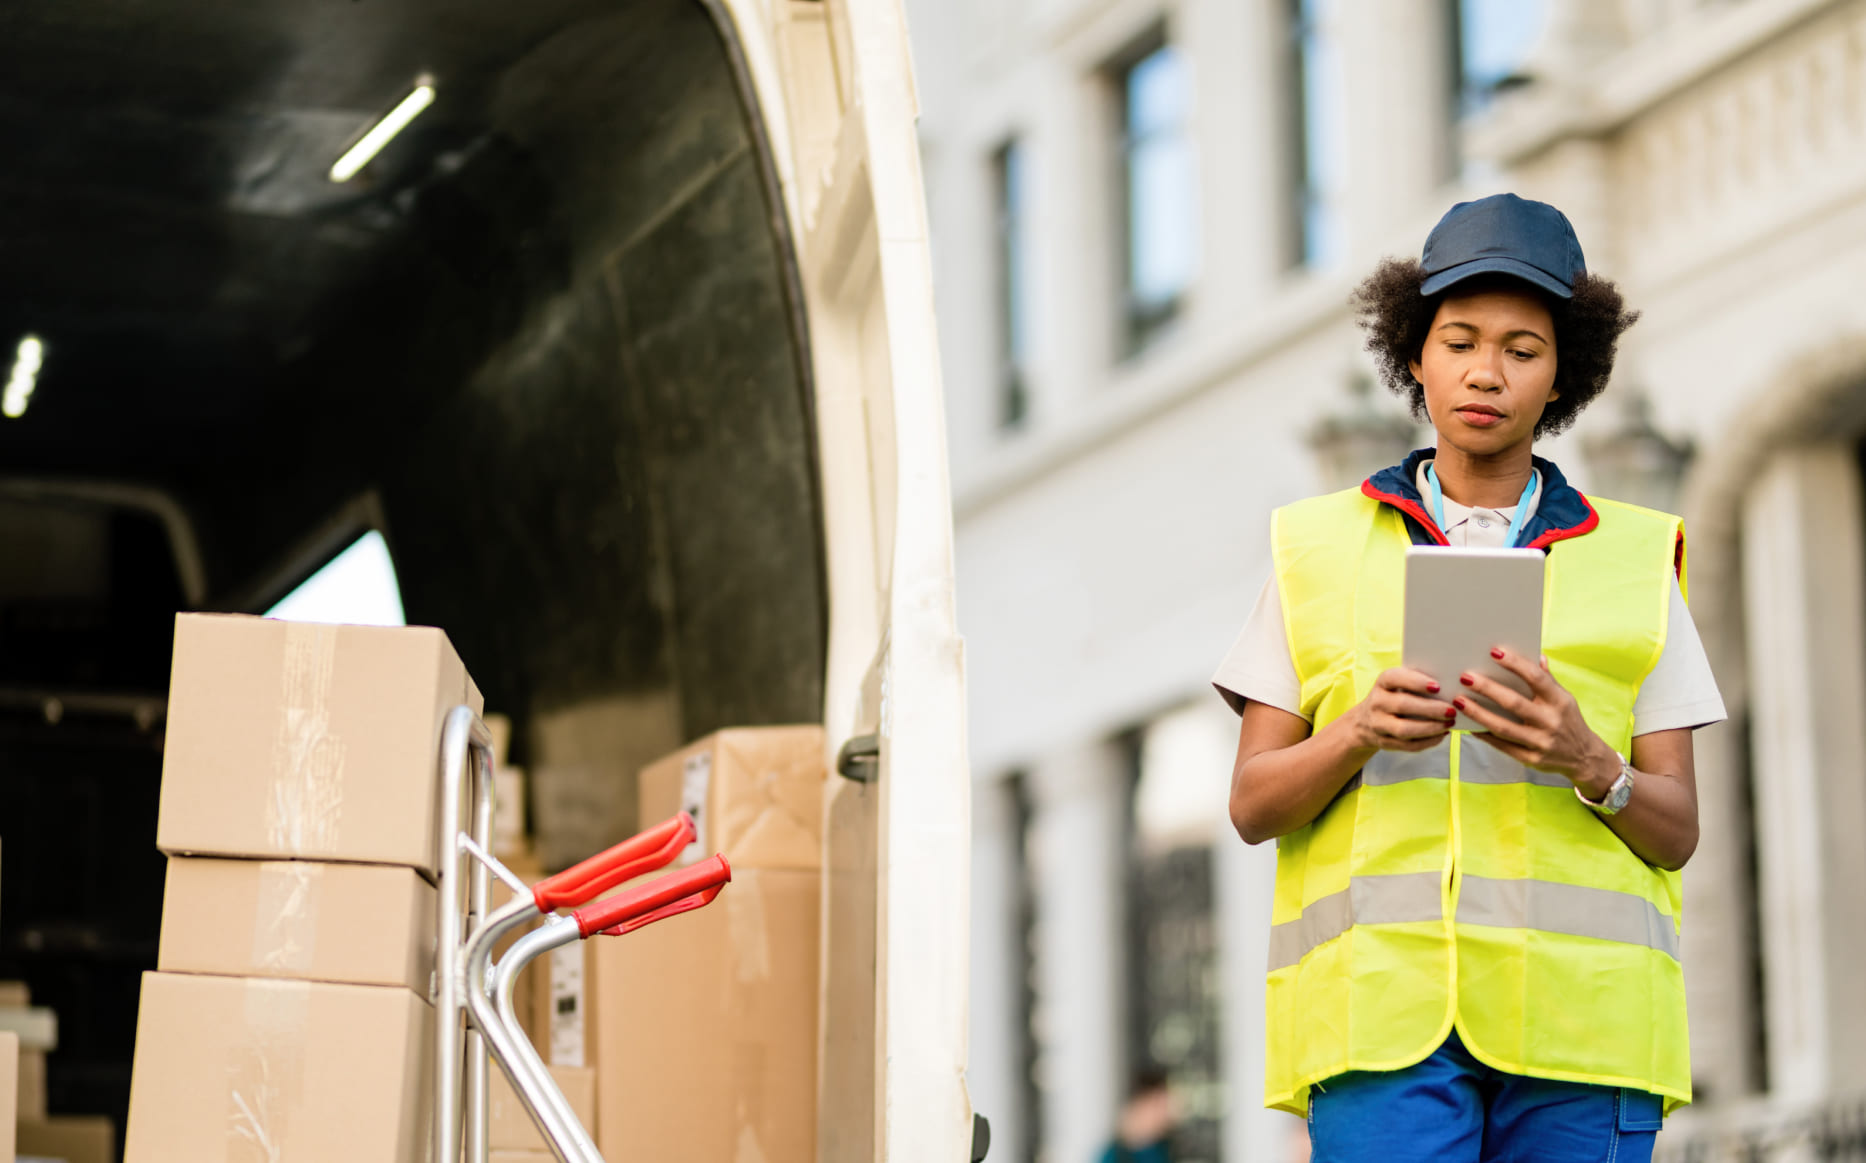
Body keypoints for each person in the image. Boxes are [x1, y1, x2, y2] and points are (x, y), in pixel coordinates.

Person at [1211, 193, 1726, 1163]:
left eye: (1522, 349)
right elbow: (1252, 803)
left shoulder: (1638, 557)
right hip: (1382, 1031)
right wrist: (1357, 729)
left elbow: (1677, 829)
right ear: (1415, 353)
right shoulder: (1314, 550)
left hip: (1587, 1033)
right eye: (1459, 340)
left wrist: (1588, 760)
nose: (1486, 371)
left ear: (1563, 372)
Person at [1097, 1067, 1177, 1163]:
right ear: (1141, 1103)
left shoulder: (1163, 1149)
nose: (1166, 1114)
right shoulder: (1113, 1156)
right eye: (1159, 1105)